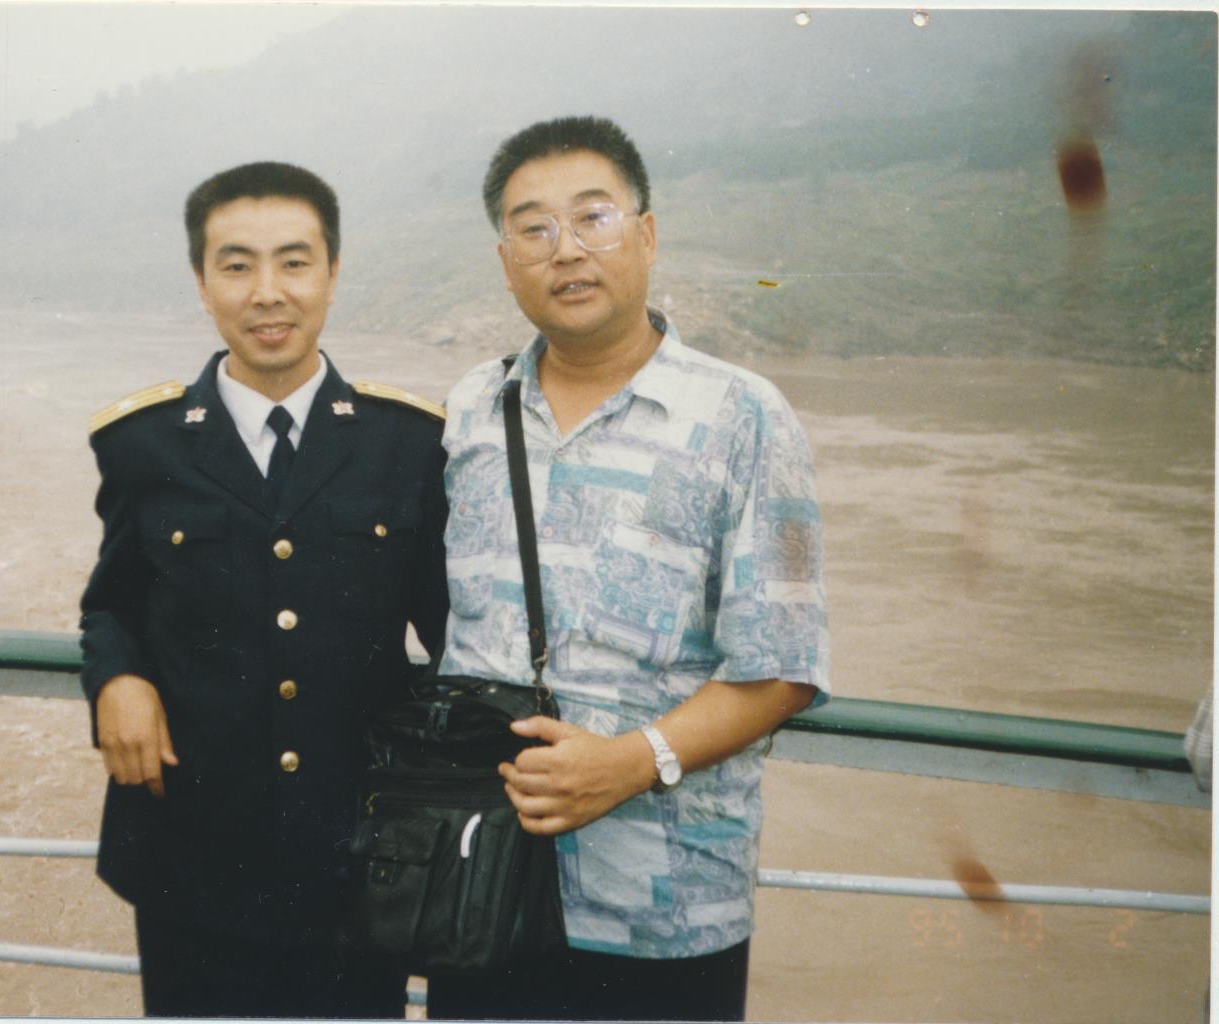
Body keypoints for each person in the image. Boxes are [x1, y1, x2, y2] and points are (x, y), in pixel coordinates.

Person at [427, 117, 831, 1021]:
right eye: (534, 228)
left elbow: (785, 665)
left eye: (593, 218)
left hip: (667, 906)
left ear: (645, 235)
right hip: (481, 890)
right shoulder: (471, 410)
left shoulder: (747, 418)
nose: (566, 250)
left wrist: (631, 763)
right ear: (506, 260)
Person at [78, 161, 448, 1018]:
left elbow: (454, 630)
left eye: (294, 262)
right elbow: (112, 599)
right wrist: (118, 677)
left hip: (360, 860)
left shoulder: (408, 443)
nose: (268, 293)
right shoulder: (144, 443)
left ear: (333, 272)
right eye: (237, 265)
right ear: (201, 281)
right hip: (193, 856)